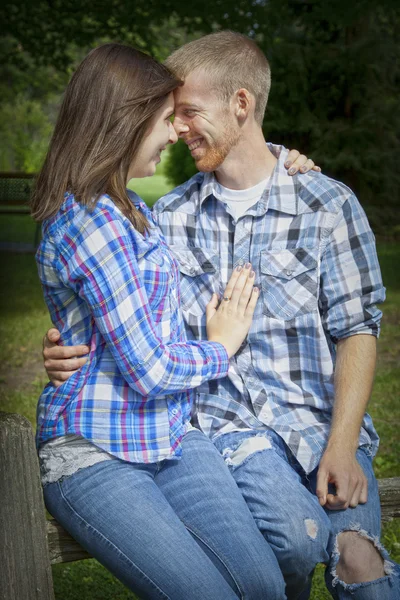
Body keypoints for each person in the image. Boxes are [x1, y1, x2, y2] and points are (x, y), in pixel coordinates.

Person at [43, 32, 399, 599]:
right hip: (226, 429)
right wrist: (68, 343)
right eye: (170, 116)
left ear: (241, 104)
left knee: (359, 561)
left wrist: (342, 441)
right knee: (292, 540)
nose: (178, 129)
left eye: (188, 112)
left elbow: (358, 327)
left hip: (319, 425)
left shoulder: (326, 203)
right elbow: (120, 300)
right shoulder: (169, 214)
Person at [31, 42, 296, 600]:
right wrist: (220, 346)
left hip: (173, 434)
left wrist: (289, 163)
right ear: (124, 123)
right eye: (163, 118)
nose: (176, 132)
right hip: (97, 449)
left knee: (265, 588)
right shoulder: (89, 222)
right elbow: (149, 370)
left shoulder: (132, 208)